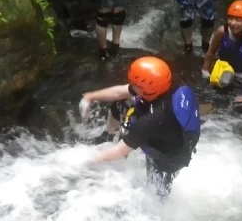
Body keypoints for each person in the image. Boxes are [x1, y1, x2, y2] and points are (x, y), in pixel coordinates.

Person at [78, 56, 200, 197]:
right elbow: (120, 92)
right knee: (121, 102)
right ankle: (107, 136)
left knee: (156, 192)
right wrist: (90, 96)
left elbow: (119, 151)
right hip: (169, 128)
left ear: (147, 91)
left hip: (170, 155)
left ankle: (160, 207)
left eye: (135, 84)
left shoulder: (152, 120)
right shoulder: (167, 83)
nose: (131, 85)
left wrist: (86, 161)